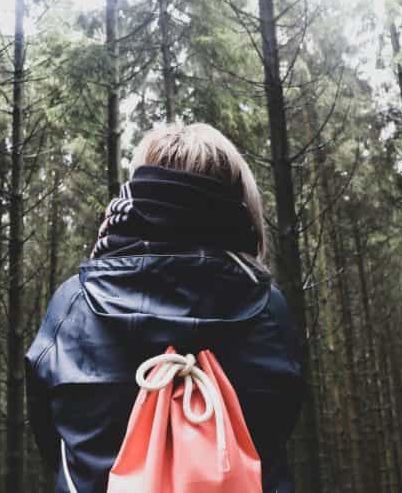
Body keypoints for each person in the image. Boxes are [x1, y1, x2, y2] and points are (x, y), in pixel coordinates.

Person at [25, 123, 304, 493]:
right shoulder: (270, 309)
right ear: (240, 201)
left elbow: (51, 438)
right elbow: (281, 427)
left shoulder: (73, 304)